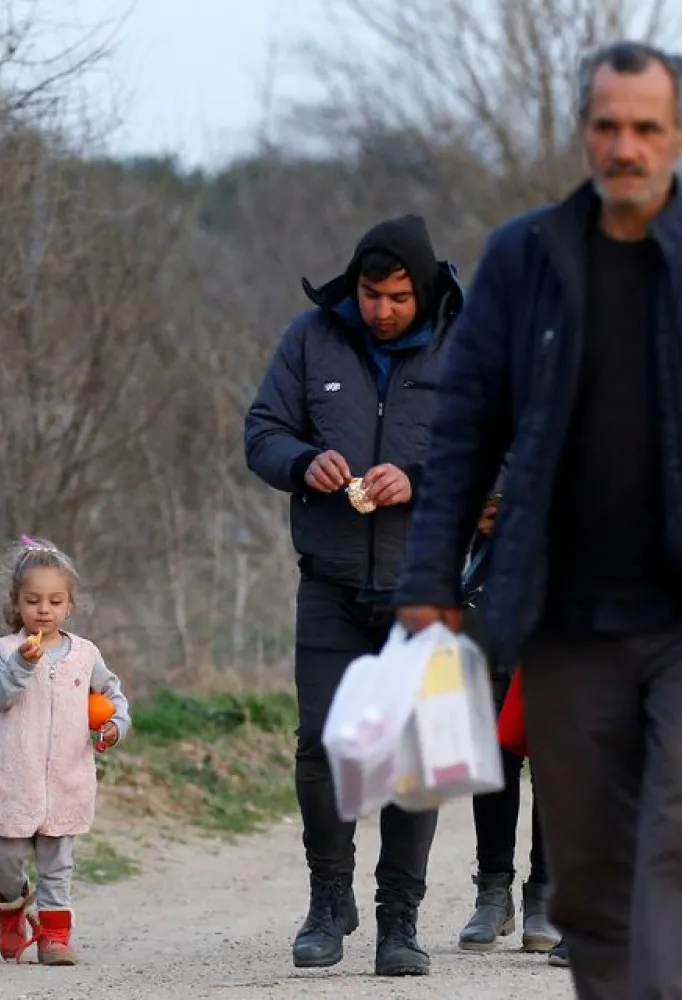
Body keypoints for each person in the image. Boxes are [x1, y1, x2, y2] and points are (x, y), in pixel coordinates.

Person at [392, 40, 682, 1000]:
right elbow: (463, 431)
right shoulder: (525, 260)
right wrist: (431, 578)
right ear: (585, 134)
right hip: (564, 617)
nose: (626, 146)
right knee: (594, 866)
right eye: (607, 126)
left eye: (646, 128)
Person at [243, 214, 464, 977]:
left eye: (399, 297)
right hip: (330, 581)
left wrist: (423, 481)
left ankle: (399, 921)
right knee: (322, 746)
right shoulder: (312, 339)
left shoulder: (464, 343)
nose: (382, 311)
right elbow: (262, 431)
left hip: (425, 588)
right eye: (371, 295)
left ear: (424, 289)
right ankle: (328, 900)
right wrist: (304, 462)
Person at [0, 536, 130, 966]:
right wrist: (22, 665)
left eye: (54, 600)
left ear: (70, 605)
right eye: (33, 600)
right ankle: (10, 910)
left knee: (57, 866)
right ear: (16, 603)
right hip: (15, 780)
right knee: (4, 858)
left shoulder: (85, 655)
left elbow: (113, 697)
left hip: (67, 778)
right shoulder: (3, 651)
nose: (43, 609)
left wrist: (114, 726)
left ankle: (54, 937)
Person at [457, 489, 563, 962]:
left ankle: (544, 892)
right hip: (493, 601)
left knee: (556, 757)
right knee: (493, 752)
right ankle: (492, 893)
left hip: (562, 599)